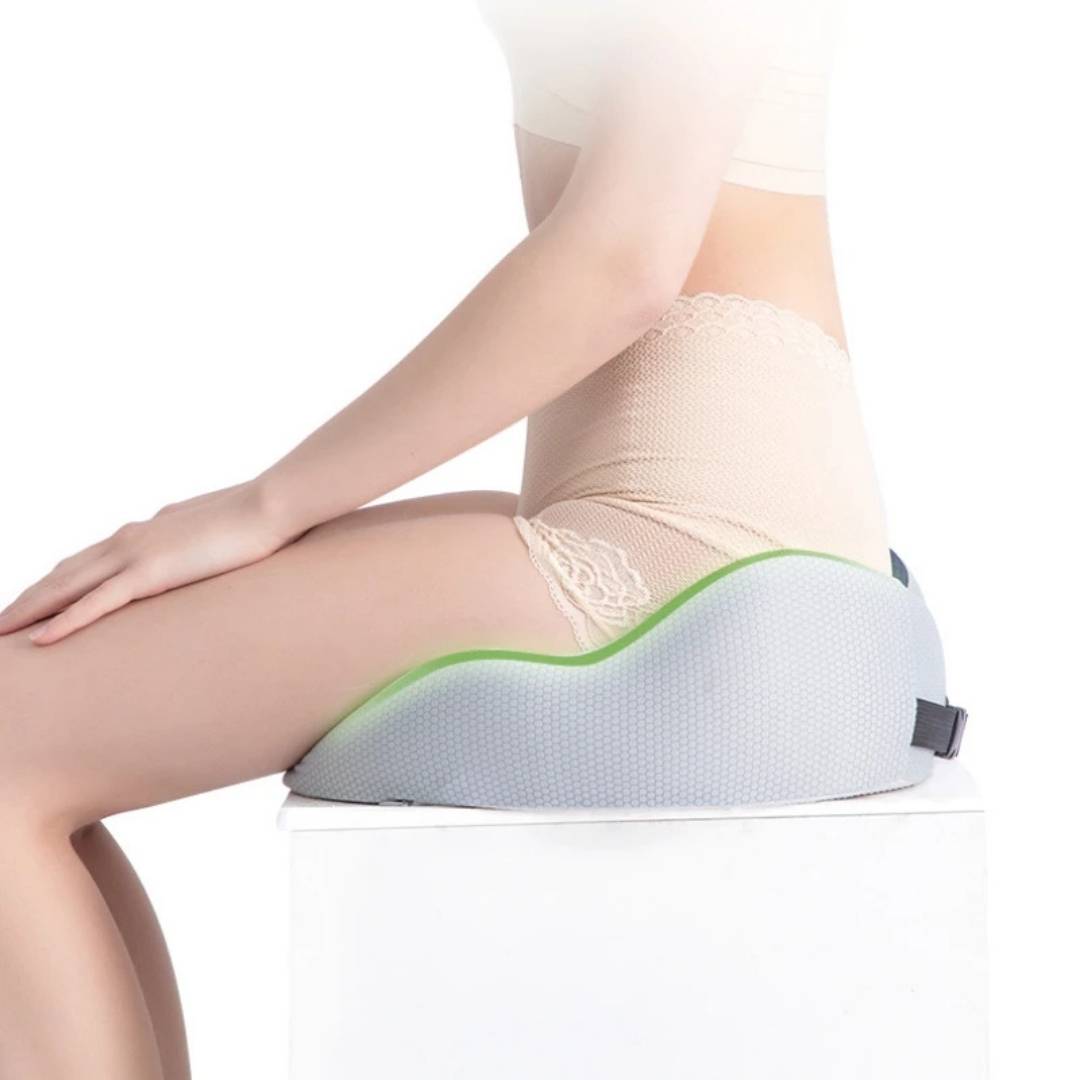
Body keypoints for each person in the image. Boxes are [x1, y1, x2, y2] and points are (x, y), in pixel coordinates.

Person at [0, 1, 885, 1075]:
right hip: (673, 509)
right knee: (34, 723)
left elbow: (625, 262)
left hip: (694, 539)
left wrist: (264, 507)